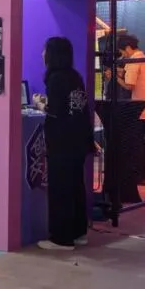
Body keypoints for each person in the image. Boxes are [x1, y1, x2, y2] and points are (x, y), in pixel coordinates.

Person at [36, 37, 95, 251]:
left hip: (62, 141)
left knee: (60, 188)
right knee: (76, 186)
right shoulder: (74, 76)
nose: (42, 54)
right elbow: (76, 108)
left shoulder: (56, 78)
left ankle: (61, 238)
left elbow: (56, 111)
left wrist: (40, 105)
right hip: (78, 140)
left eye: (45, 50)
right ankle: (78, 232)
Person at [116, 33, 145, 184]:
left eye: (122, 52)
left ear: (128, 48)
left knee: (136, 143)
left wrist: (115, 77)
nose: (123, 55)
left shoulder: (133, 61)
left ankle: (142, 175)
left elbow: (129, 85)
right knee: (141, 141)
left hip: (137, 108)